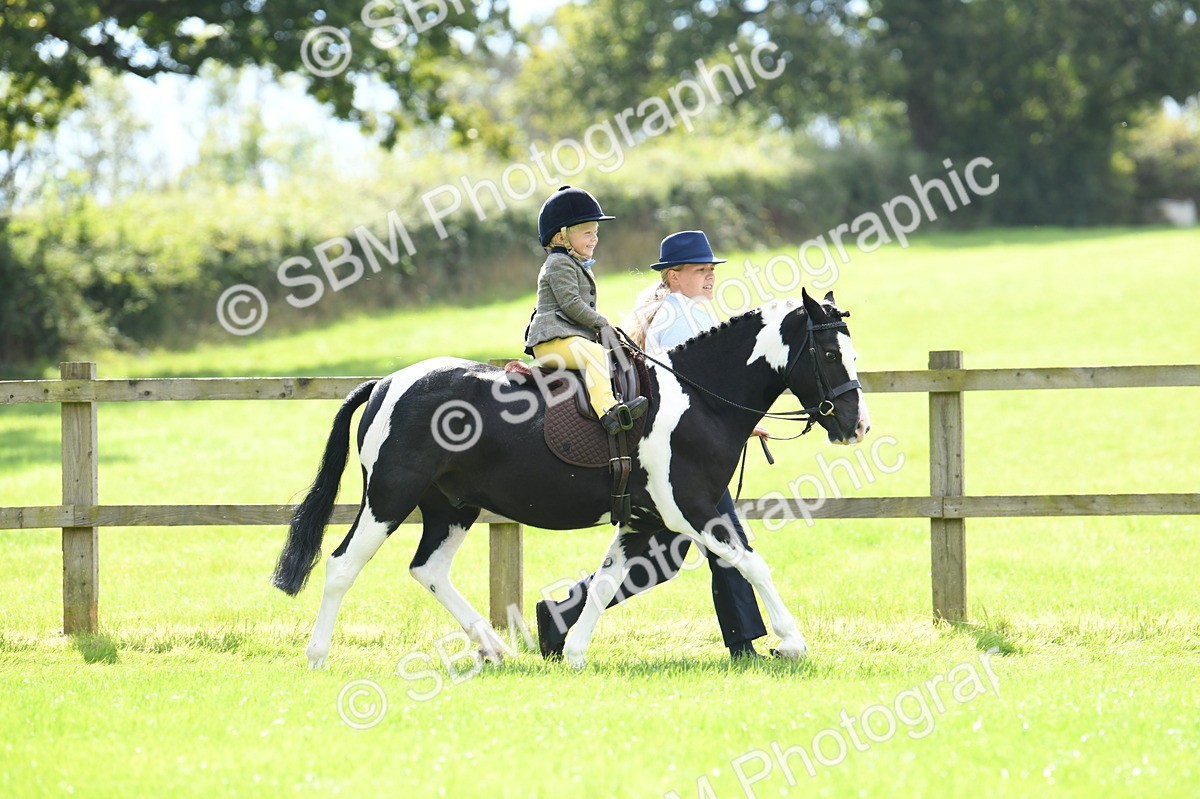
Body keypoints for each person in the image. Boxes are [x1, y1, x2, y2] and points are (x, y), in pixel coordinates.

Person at [535, 230, 770, 661]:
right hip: (683, 457)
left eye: (711, 270)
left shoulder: (694, 312)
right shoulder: (674, 318)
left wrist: (740, 425)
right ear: (674, 276)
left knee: (660, 561)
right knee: (729, 546)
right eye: (700, 270)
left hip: (685, 452)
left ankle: (561, 614)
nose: (709, 277)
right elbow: (684, 389)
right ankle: (744, 647)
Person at [524, 185, 647, 435]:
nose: (595, 239)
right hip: (551, 342)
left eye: (596, 232)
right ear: (561, 238)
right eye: (588, 233)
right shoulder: (558, 263)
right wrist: (601, 323)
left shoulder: (574, 263)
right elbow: (571, 304)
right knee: (594, 354)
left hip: (567, 339)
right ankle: (609, 412)